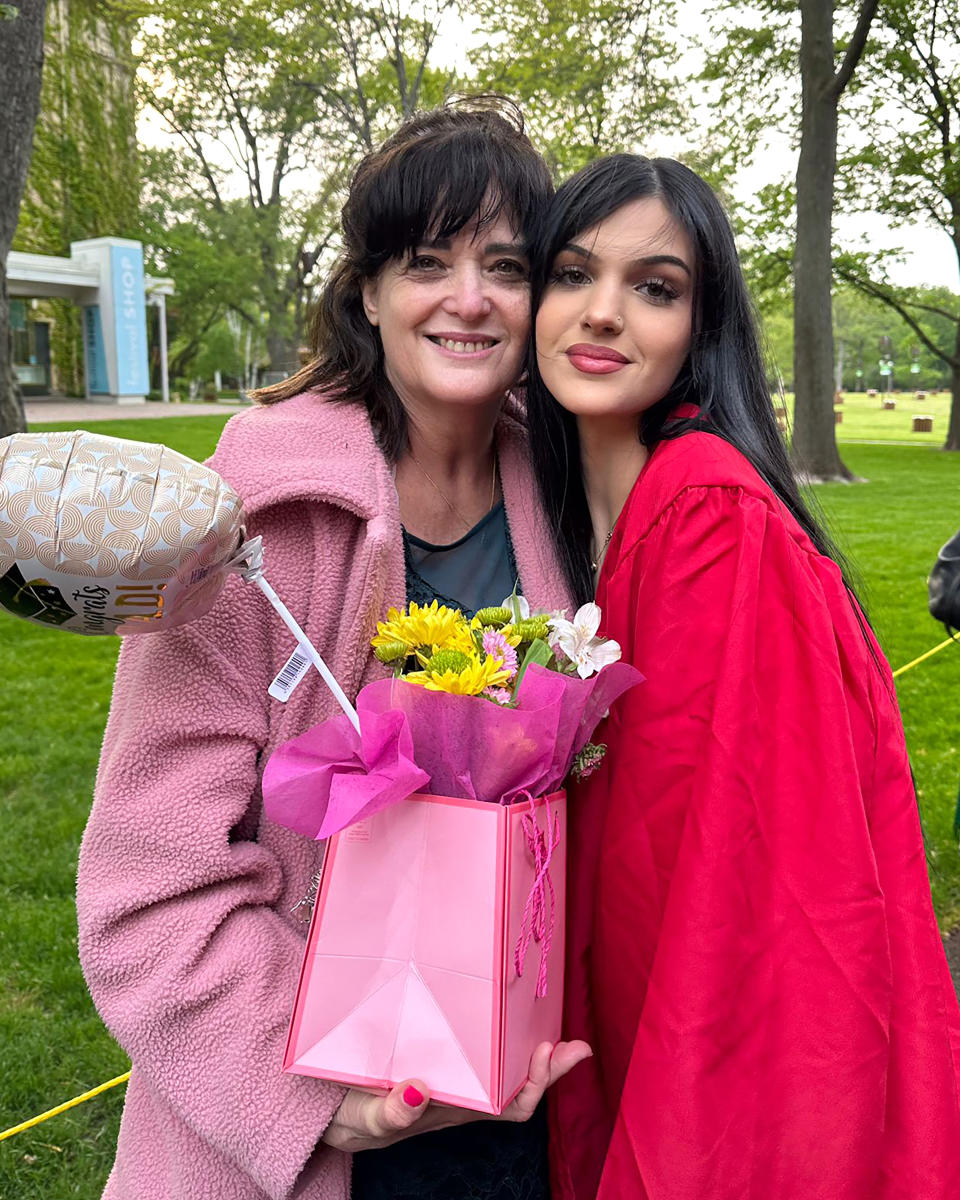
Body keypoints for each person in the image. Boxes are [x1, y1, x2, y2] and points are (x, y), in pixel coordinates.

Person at [76, 99, 589, 1200]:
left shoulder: (567, 502)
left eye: (505, 264)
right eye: (426, 261)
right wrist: (321, 1100)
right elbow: (152, 886)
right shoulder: (252, 525)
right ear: (367, 290)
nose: (469, 298)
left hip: (522, 1123)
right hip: (307, 1144)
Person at [524, 154, 960, 1199]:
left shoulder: (713, 522)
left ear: (701, 326)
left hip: (722, 1079)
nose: (604, 314)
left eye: (655, 288)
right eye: (573, 274)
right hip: (616, 1021)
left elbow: (758, 898)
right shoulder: (592, 522)